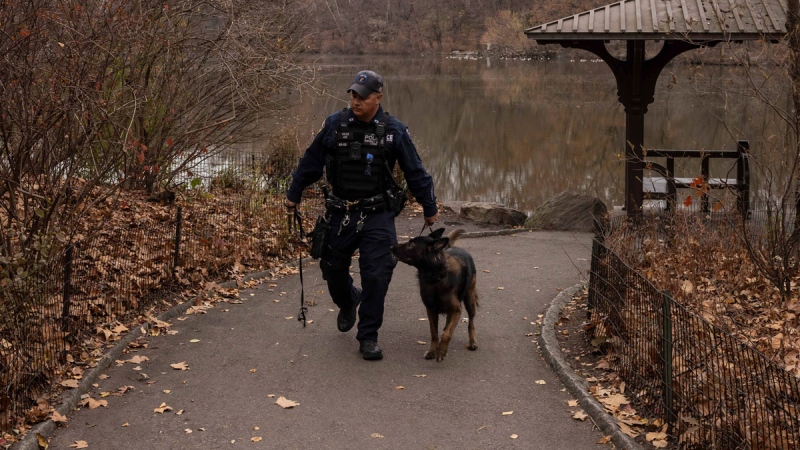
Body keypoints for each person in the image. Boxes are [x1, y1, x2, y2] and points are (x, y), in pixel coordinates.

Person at [285, 70, 439, 360]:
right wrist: (294, 192)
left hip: (377, 213)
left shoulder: (394, 131)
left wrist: (429, 208)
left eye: (362, 96)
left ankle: (368, 335)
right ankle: (349, 300)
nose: (355, 101)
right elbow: (311, 161)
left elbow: (415, 171)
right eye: (353, 95)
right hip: (340, 210)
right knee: (332, 271)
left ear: (378, 97)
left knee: (377, 274)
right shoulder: (335, 125)